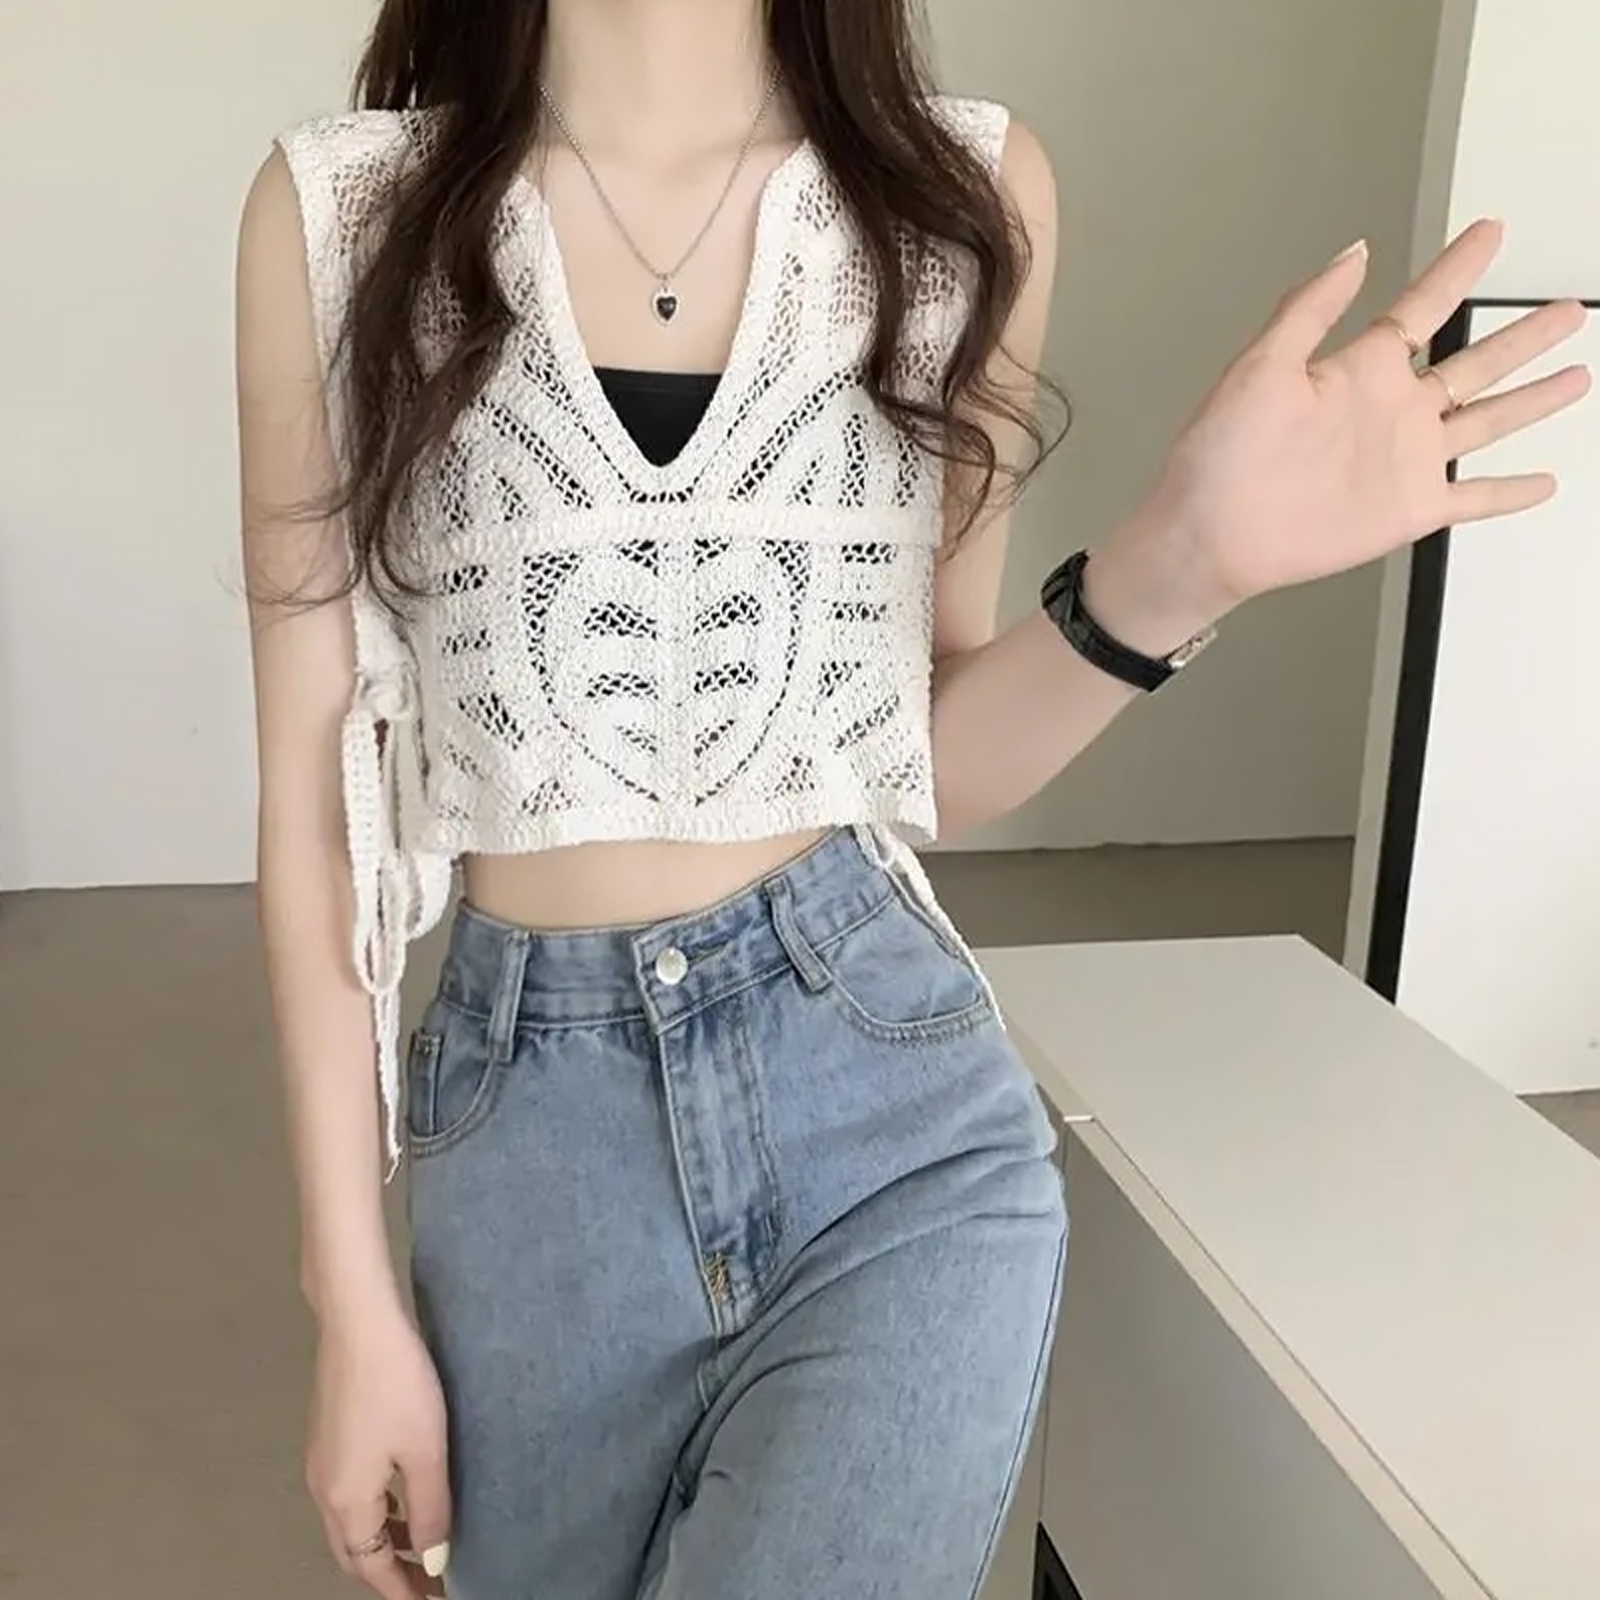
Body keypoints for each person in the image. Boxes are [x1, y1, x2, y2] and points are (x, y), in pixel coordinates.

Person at [235, 2, 1589, 1596]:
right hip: (534, 1145)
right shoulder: (338, 216)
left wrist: (1181, 568)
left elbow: (926, 758)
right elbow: (314, 808)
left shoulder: (963, 200)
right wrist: (348, 1297)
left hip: (885, 1108)